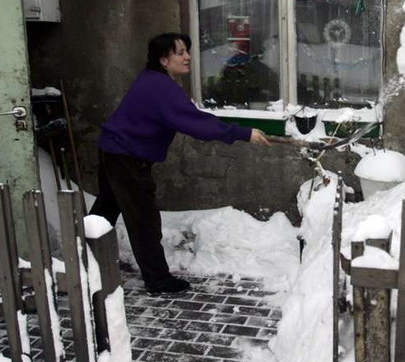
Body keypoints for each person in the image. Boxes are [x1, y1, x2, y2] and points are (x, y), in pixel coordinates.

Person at [90, 32, 270, 294]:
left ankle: (80, 263)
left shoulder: (153, 80)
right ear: (164, 60)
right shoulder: (161, 88)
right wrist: (243, 133)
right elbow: (196, 123)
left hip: (113, 149)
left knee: (105, 211)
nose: (187, 57)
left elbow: (191, 118)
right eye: (180, 52)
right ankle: (157, 279)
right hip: (127, 157)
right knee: (143, 220)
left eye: (187, 51)